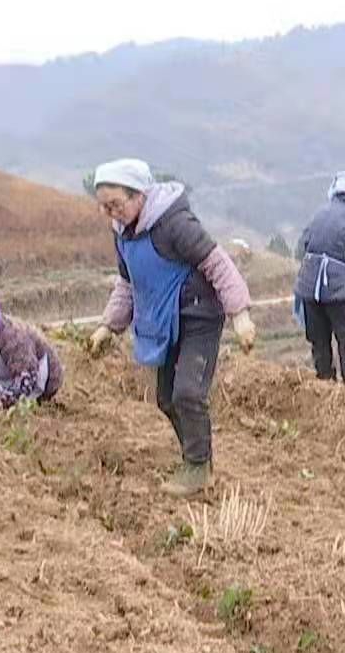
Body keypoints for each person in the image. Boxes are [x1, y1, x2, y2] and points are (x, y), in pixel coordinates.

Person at [88, 158, 257, 496]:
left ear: (140, 195)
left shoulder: (174, 223)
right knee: (166, 398)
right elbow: (128, 283)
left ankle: (198, 467)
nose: (112, 214)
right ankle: (194, 459)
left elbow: (217, 262)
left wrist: (240, 315)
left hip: (198, 316)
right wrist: (108, 326)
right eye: (104, 208)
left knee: (188, 393)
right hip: (163, 321)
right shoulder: (122, 233)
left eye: (116, 205)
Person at [294, 171, 345, 383]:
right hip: (338, 292)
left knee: (319, 342)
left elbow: (300, 251)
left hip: (308, 290)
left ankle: (324, 386)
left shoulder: (318, 215)